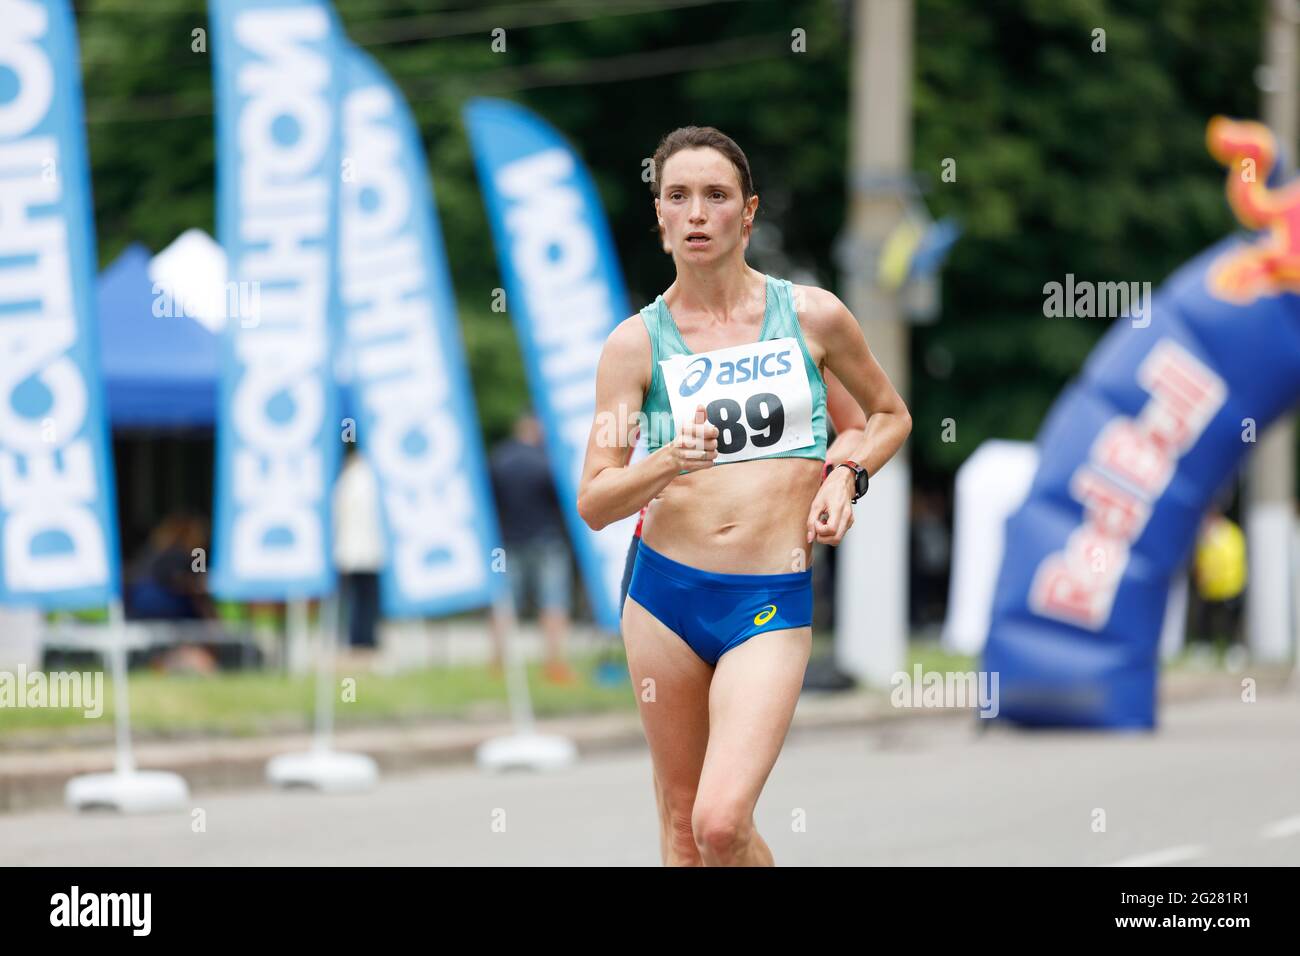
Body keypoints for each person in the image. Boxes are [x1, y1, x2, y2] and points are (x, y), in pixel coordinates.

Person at [577, 126, 911, 866]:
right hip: (664, 597)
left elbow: (883, 419)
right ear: (659, 216)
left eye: (716, 196)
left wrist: (844, 477)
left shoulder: (812, 319)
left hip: (767, 597)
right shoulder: (635, 345)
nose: (697, 213)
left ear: (748, 213)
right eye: (678, 197)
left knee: (721, 822)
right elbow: (596, 499)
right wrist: (664, 461)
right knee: (680, 825)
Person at [489, 411, 579, 685]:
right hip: (547, 541)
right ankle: (554, 664)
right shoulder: (548, 462)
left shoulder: (499, 458)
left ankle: (497, 663)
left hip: (506, 542)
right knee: (553, 602)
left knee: (504, 602)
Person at [333, 448, 384, 664]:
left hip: (350, 550)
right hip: (369, 550)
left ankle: (357, 641)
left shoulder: (346, 479)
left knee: (354, 598)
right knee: (367, 599)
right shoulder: (371, 477)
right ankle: (364, 642)